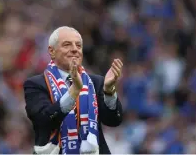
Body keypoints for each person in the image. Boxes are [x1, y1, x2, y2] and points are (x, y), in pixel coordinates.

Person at [24, 26, 123, 154]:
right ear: (52, 51)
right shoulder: (35, 84)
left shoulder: (96, 82)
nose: (75, 49)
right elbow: (43, 121)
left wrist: (109, 91)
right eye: (67, 45)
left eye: (78, 45)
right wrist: (73, 92)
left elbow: (113, 120)